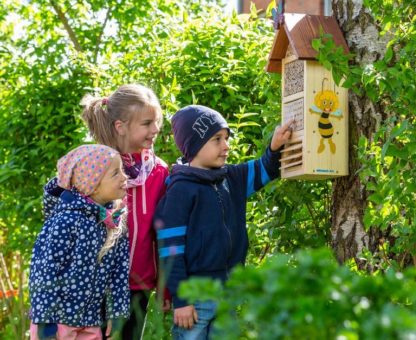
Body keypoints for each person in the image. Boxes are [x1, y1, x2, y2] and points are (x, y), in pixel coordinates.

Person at [153, 105, 293, 339]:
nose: (226, 146)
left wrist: (274, 147)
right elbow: (171, 250)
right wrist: (182, 300)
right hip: (195, 296)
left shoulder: (231, 178)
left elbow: (264, 169)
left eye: (226, 138)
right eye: (217, 139)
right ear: (194, 146)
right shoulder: (180, 190)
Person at [80, 84, 170, 340]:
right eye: (147, 123)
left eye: (157, 121)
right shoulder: (95, 167)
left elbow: (162, 232)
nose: (155, 129)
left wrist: (165, 287)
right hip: (95, 284)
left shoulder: (159, 172)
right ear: (120, 126)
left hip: (137, 285)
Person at [29, 144, 130, 340]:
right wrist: (45, 323)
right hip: (57, 323)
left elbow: (119, 272)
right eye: (115, 173)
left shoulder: (114, 222)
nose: (124, 177)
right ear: (92, 183)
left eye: (123, 171)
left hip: (90, 322)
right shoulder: (65, 221)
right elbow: (44, 272)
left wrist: (116, 313)